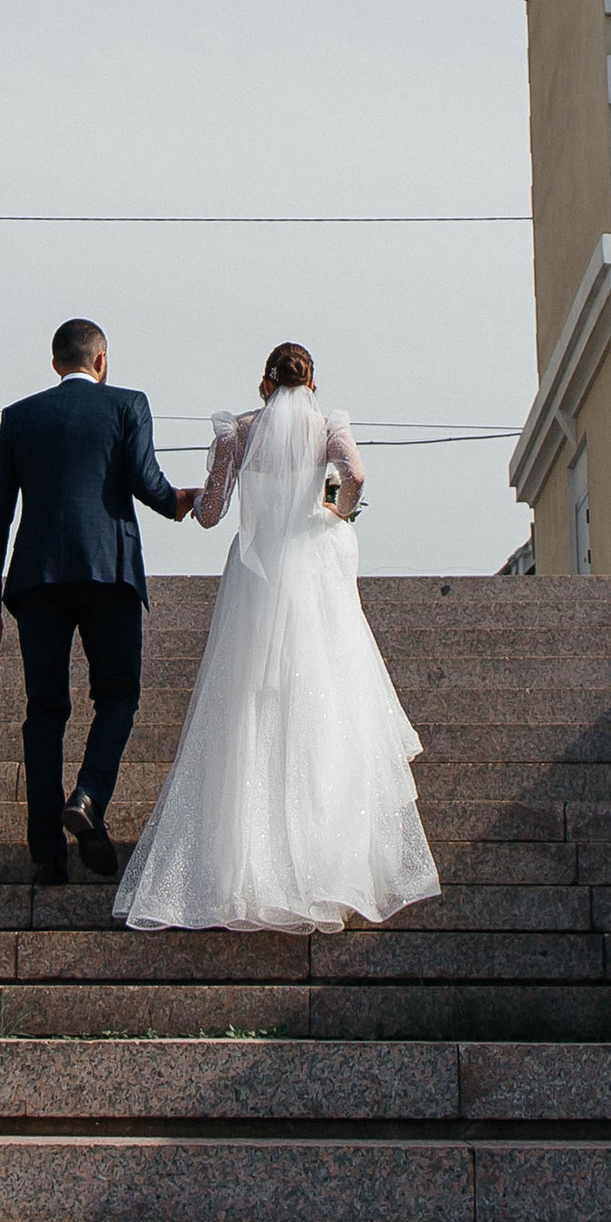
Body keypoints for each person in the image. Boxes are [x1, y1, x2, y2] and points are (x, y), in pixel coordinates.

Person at [114, 341, 440, 934]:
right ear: (311, 382)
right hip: (311, 567)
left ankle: (245, 865)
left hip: (259, 573)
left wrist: (195, 502)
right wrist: (337, 510)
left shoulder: (238, 431)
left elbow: (213, 512)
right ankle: (326, 859)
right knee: (323, 698)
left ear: (264, 382)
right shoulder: (326, 427)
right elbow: (357, 475)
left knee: (248, 706)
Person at [0, 316, 199, 884]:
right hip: (108, 571)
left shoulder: (20, 417)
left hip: (38, 578)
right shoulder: (127, 405)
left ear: (56, 365)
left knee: (46, 709)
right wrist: (184, 502)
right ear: (101, 362)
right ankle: (90, 796)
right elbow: (148, 482)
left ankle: (45, 849)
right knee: (118, 696)